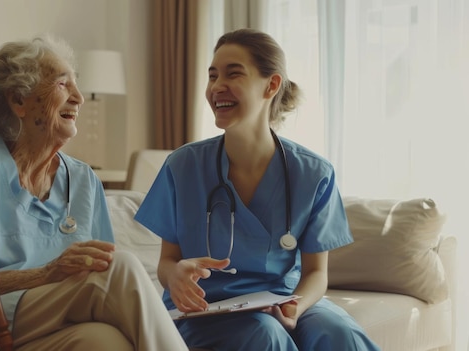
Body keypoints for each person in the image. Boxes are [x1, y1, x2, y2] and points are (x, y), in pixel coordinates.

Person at [0, 34, 189, 351]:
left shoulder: (83, 179)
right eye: (63, 84)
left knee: (107, 342)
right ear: (19, 101)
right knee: (122, 268)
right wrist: (45, 275)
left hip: (40, 332)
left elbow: (99, 271)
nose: (79, 97)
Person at [134, 28, 381, 351]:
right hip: (205, 311)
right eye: (212, 76)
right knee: (264, 334)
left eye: (233, 74)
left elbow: (317, 273)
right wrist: (175, 275)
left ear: (272, 85)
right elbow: (168, 261)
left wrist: (296, 307)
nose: (216, 87)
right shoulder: (183, 167)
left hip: (282, 298)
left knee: (338, 333)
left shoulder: (313, 174)